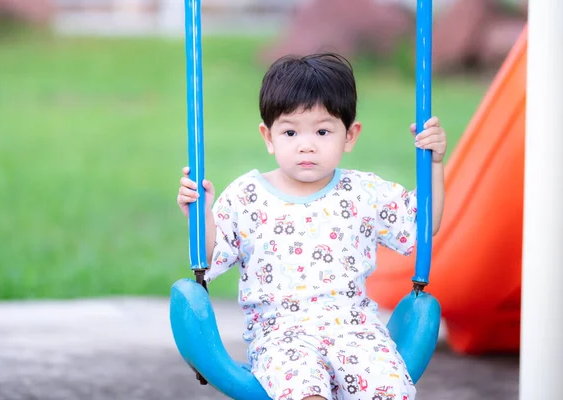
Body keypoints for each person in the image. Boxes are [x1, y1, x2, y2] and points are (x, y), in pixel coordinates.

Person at [177, 53, 447, 400]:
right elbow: (212, 256)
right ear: (268, 136)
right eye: (290, 131)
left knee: (390, 391)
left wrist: (434, 163)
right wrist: (202, 215)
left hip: (357, 332)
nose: (306, 144)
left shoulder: (364, 191)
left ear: (350, 136)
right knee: (305, 393)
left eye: (322, 131)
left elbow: (422, 226)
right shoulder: (247, 196)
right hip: (281, 336)